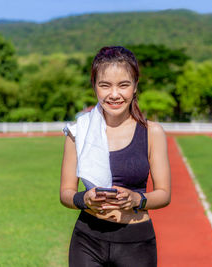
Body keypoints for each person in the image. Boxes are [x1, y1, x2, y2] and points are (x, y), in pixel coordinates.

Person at [60, 46, 171, 267]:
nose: (114, 94)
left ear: (135, 86)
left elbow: (164, 194)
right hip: (87, 240)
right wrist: (84, 199)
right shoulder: (78, 132)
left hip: (136, 242)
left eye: (123, 85)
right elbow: (66, 192)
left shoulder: (152, 133)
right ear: (95, 87)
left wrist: (137, 199)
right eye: (105, 85)